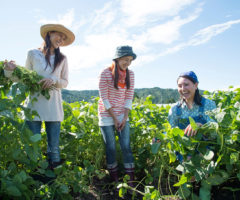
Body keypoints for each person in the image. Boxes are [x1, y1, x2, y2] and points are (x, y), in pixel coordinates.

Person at [4, 24, 75, 168]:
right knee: (33, 146)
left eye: (63, 38)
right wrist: (10, 71)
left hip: (53, 107)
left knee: (54, 149)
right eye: (59, 35)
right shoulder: (32, 53)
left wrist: (53, 80)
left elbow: (65, 82)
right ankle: (35, 181)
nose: (61, 39)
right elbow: (24, 77)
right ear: (49, 34)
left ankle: (54, 179)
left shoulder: (62, 58)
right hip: (34, 106)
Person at [98, 46, 136, 186]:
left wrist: (124, 117)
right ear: (118, 58)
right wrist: (114, 118)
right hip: (107, 113)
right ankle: (114, 176)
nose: (128, 63)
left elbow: (129, 96)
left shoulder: (130, 74)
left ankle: (130, 177)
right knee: (111, 147)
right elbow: (104, 98)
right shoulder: (105, 73)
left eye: (130, 60)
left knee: (126, 146)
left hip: (122, 113)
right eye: (126, 59)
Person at [168, 71, 216, 161]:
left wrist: (201, 126)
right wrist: (160, 138)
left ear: (196, 85)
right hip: (185, 155)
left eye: (186, 84)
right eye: (179, 86)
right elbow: (172, 133)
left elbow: (215, 134)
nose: (183, 89)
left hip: (205, 154)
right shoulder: (174, 109)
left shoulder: (208, 104)